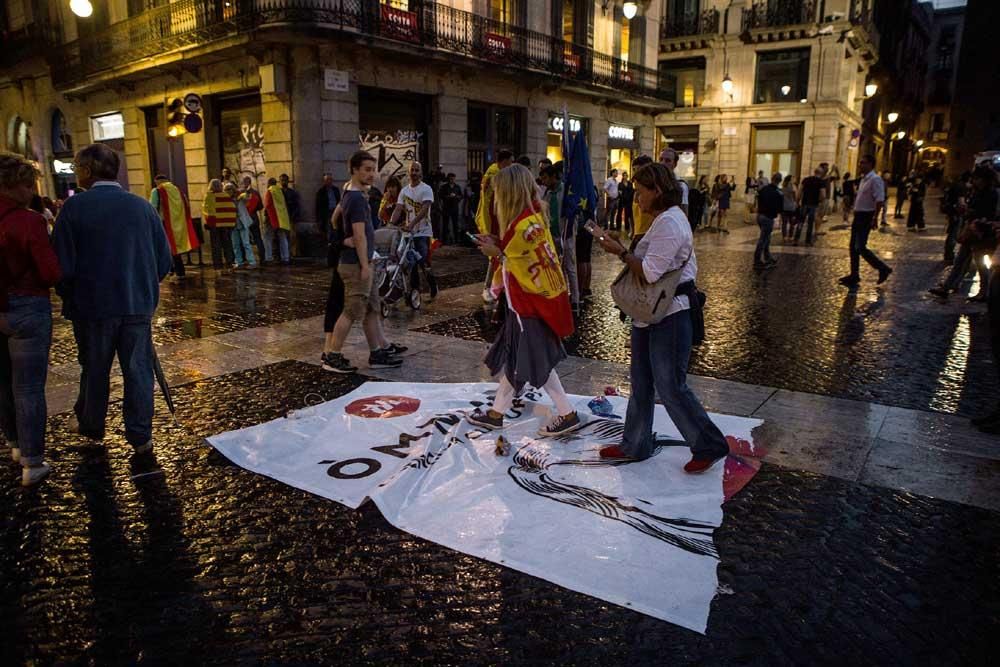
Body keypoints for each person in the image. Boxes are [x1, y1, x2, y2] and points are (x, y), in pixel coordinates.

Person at [594, 163, 730, 472]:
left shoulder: (670, 222)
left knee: (671, 385)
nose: (637, 198)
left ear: (657, 191)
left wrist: (619, 251)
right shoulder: (662, 220)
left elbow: (652, 271)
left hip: (670, 314)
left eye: (641, 192)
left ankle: (709, 444)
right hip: (651, 312)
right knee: (641, 382)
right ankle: (636, 443)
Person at [51, 144, 173, 458]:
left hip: (93, 307)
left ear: (88, 171)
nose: (75, 171)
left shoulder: (74, 208)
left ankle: (92, 423)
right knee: (138, 371)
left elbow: (61, 265)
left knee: (94, 368)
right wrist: (142, 286)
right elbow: (163, 259)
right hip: (136, 305)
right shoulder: (141, 206)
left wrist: (71, 294)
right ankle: (141, 435)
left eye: (77, 166)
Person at [466, 164, 579, 436]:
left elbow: (512, 257)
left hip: (528, 304)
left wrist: (495, 251)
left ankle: (567, 414)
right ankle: (496, 414)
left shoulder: (522, 224)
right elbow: (515, 253)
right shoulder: (532, 217)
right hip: (533, 301)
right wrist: (497, 244)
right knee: (520, 360)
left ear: (509, 193)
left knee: (533, 361)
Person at [0, 152, 61, 487]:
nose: (32, 192)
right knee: (27, 386)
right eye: (29, 185)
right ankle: (32, 462)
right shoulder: (28, 221)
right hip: (26, 307)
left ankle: (13, 443)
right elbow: (49, 272)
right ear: (16, 185)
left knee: (2, 381)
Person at [321, 151, 404, 374]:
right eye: (366, 169)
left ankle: (377, 353)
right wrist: (365, 265)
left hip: (362, 261)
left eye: (373, 169)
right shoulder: (356, 198)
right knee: (351, 311)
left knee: (371, 309)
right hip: (356, 265)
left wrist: (340, 235)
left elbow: (335, 217)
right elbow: (359, 235)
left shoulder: (351, 192)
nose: (371, 174)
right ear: (355, 170)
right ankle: (332, 356)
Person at [929, 166, 998, 300]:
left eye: (977, 178)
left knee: (980, 263)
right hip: (971, 230)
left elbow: (988, 213)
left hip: (980, 232)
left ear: (985, 179)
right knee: (960, 260)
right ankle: (947, 287)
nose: (975, 181)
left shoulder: (991, 193)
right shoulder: (978, 191)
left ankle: (985, 292)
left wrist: (971, 212)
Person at [839, 154, 892, 287]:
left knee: (860, 247)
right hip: (858, 215)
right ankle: (854, 274)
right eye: (860, 163)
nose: (860, 165)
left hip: (866, 216)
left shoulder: (875, 180)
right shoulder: (863, 180)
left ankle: (883, 268)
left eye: (863, 163)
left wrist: (875, 217)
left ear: (870, 164)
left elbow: (879, 199)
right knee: (853, 247)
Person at [390, 161, 438, 299]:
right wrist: (391, 224)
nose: (414, 173)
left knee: (422, 260)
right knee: (410, 261)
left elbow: (424, 209)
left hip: (423, 231)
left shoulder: (426, 189)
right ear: (408, 172)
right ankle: (415, 290)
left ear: (421, 173)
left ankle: (432, 283)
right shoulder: (404, 191)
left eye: (417, 170)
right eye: (412, 170)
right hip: (408, 233)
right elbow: (398, 209)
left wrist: (412, 224)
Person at [476, 151, 515, 302]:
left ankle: (496, 287)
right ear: (504, 161)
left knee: (498, 256)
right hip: (495, 223)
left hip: (497, 222)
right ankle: (490, 288)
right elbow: (491, 204)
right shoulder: (495, 176)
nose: (511, 165)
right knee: (496, 256)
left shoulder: (493, 174)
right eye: (510, 162)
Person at [540, 163, 578, 313]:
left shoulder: (566, 191)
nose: (543, 181)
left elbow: (573, 213)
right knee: (555, 268)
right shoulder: (547, 194)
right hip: (551, 235)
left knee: (570, 266)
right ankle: (560, 295)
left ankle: (575, 299)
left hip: (566, 234)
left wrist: (570, 230)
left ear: (553, 177)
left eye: (545, 178)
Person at [150, 174, 199, 277]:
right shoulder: (178, 190)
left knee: (164, 248)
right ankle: (178, 270)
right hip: (178, 222)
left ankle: (171, 269)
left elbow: (152, 207)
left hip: (163, 223)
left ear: (158, 182)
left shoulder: (157, 191)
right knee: (175, 247)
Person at [202, 178, 237, 269]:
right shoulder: (225, 195)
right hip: (226, 225)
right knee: (227, 244)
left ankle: (218, 266)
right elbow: (232, 209)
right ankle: (229, 263)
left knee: (216, 246)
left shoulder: (209, 196)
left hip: (215, 225)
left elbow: (207, 211)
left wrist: (207, 223)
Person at [755, 173, 783, 269]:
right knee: (763, 239)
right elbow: (780, 208)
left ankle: (767, 257)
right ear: (780, 181)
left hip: (760, 215)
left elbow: (758, 199)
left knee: (766, 238)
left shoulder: (763, 189)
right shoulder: (778, 192)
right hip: (768, 217)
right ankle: (757, 261)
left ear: (771, 179)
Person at [943, 172, 971, 262]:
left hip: (951, 212)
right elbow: (961, 202)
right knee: (953, 234)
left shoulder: (956, 185)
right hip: (956, 213)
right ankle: (949, 255)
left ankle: (948, 254)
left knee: (951, 233)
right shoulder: (962, 188)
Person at [264, 176, 293, 264]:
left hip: (271, 218)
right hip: (282, 218)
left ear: (268, 184)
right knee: (283, 237)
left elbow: (267, 205)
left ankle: (268, 257)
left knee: (267, 237)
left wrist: (266, 217)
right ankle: (286, 257)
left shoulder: (269, 191)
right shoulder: (280, 191)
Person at [240, 176, 268, 264]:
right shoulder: (255, 192)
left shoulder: (240, 193)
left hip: (244, 218)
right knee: (258, 238)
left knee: (244, 239)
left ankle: (245, 258)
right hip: (254, 217)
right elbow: (261, 206)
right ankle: (262, 258)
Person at [230, 182, 258, 269]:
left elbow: (247, 197)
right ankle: (239, 262)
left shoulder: (241, 197)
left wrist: (247, 191)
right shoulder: (227, 200)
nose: (228, 191)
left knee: (246, 243)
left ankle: (252, 262)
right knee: (235, 244)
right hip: (233, 224)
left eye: (229, 189)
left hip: (242, 223)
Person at [629, 155, 655, 243]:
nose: (635, 174)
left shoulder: (654, 191)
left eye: (639, 170)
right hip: (638, 234)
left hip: (648, 235)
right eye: (634, 170)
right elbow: (633, 214)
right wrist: (632, 231)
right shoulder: (636, 191)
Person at [796, 168, 825, 245]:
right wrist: (820, 202)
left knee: (801, 222)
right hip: (813, 205)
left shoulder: (806, 180)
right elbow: (823, 194)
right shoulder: (820, 182)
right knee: (810, 223)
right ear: (821, 173)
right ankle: (807, 241)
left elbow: (800, 190)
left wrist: (797, 201)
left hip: (804, 204)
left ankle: (796, 239)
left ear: (814, 172)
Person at [660, 148, 690, 215]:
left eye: (668, 160)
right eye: (661, 159)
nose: (663, 163)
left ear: (675, 164)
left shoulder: (681, 186)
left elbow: (684, 213)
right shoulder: (656, 182)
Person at [439, 172, 463, 244]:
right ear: (448, 179)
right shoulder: (444, 187)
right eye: (450, 179)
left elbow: (461, 196)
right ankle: (444, 241)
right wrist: (448, 197)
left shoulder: (457, 187)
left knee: (455, 225)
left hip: (455, 208)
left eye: (453, 179)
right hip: (446, 208)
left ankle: (456, 240)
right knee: (445, 225)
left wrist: (456, 197)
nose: (452, 180)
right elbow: (440, 196)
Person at [315, 172, 341, 240]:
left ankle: (336, 241)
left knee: (336, 228)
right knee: (329, 228)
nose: (329, 181)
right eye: (327, 179)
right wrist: (318, 219)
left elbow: (339, 200)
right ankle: (329, 242)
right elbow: (318, 206)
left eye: (330, 179)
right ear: (324, 181)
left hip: (336, 211)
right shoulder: (321, 192)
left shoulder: (336, 189)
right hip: (327, 213)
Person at [780, 174, 798, 241]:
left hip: (784, 206)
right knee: (792, 223)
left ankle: (784, 237)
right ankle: (790, 237)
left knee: (784, 223)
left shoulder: (783, 186)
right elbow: (796, 197)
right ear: (791, 179)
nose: (795, 179)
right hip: (791, 207)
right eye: (794, 178)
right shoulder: (793, 186)